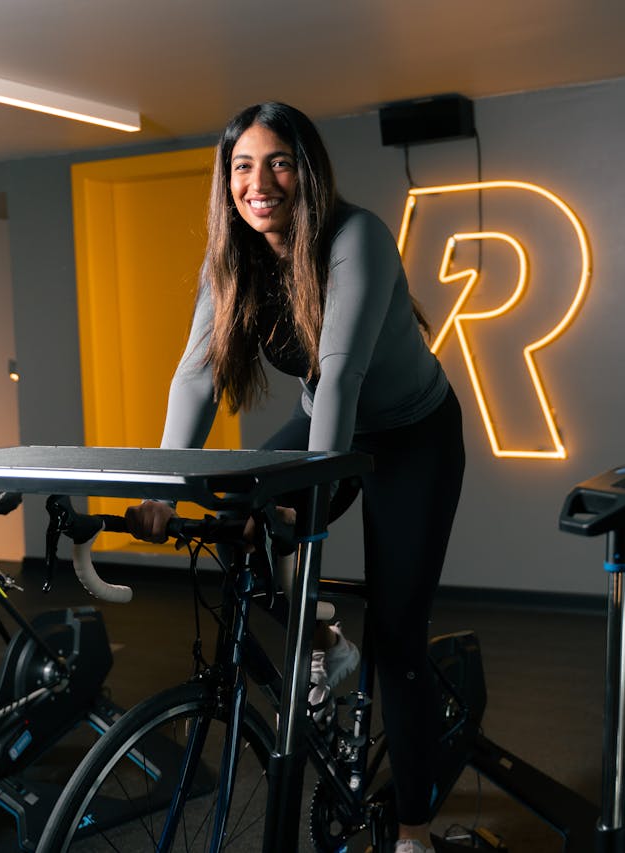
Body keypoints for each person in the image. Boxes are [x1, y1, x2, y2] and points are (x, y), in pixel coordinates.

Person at [125, 101, 465, 853]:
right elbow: (196, 378)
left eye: (277, 161)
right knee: (239, 516)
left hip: (413, 436)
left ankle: (414, 833)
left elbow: (341, 377)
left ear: (306, 171)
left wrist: (308, 494)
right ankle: (319, 634)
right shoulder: (236, 262)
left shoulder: (356, 237)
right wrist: (160, 485)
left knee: (399, 642)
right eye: (242, 166)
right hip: (329, 420)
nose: (259, 181)